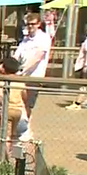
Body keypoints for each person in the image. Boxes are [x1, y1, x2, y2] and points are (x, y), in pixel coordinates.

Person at [13, 12, 52, 141]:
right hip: (21, 77)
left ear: (38, 24)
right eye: (28, 24)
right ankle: (21, 129)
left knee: (27, 105)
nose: (30, 27)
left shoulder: (44, 38)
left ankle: (27, 131)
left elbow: (37, 57)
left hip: (34, 77)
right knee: (19, 103)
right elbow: (17, 55)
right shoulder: (25, 39)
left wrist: (22, 70)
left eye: (32, 24)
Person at [0, 57, 28, 154]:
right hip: (18, 111)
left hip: (7, 110)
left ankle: (5, 158)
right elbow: (24, 95)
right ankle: (3, 149)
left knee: (5, 136)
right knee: (11, 134)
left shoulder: (0, 81)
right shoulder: (20, 81)